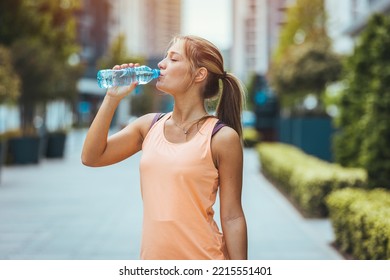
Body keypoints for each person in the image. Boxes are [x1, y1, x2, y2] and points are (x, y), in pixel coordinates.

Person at [81, 35, 247, 260]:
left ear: (199, 74)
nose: (161, 64)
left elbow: (232, 216)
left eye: (173, 59)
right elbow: (91, 157)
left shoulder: (222, 138)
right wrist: (112, 97)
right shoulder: (148, 126)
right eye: (164, 57)